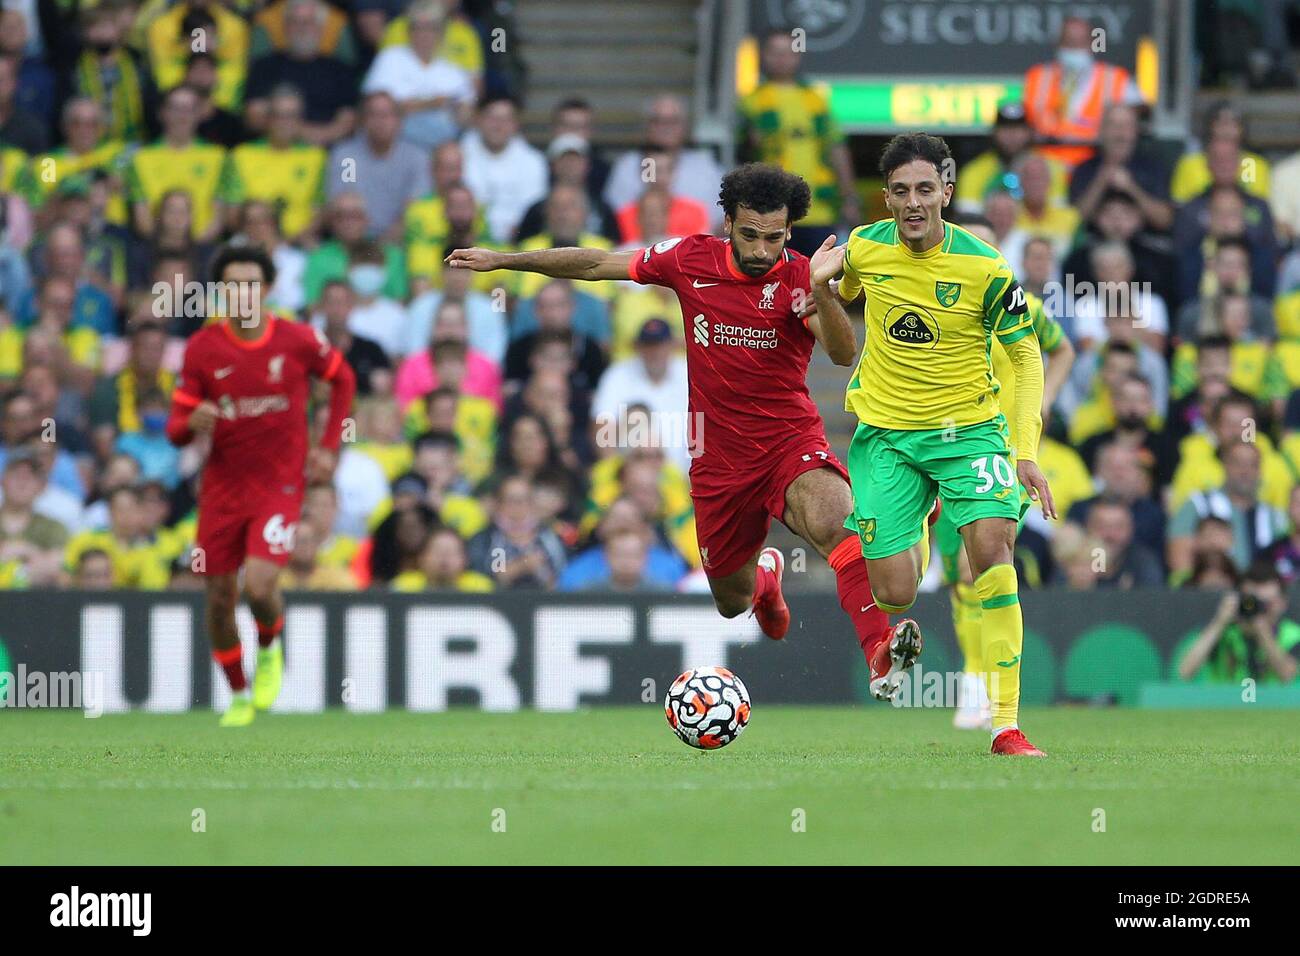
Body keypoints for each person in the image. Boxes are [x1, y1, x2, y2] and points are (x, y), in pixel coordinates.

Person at [448, 163, 907, 695]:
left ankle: (878, 649)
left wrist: (824, 295)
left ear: (788, 230)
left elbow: (843, 352)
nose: (761, 251)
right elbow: (598, 263)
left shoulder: (803, 274)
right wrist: (505, 260)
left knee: (839, 523)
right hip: (718, 460)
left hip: (789, 442)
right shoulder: (690, 259)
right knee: (731, 601)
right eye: (750, 235)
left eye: (775, 238)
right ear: (728, 223)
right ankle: (764, 583)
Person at [837, 133, 1054, 756]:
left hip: (972, 433)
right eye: (901, 191)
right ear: (886, 198)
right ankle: (921, 526)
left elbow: (1027, 353)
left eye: (925, 189)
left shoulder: (985, 266)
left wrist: (1025, 449)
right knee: (894, 593)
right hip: (889, 437)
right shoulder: (864, 248)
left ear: (946, 194)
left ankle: (1006, 725)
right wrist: (820, 285)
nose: (913, 202)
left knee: (993, 548)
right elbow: (840, 290)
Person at [165, 245, 356, 727]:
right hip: (223, 490)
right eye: (233, 284)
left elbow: (344, 380)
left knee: (261, 582)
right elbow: (174, 430)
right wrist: (194, 421)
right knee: (218, 596)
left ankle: (269, 646)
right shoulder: (203, 349)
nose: (244, 293)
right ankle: (238, 694)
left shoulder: (297, 340)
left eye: (252, 283)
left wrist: (329, 445)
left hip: (280, 485)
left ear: (267, 289)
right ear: (221, 292)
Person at [931, 215, 1074, 732]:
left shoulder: (1026, 309)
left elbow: (1063, 350)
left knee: (984, 563)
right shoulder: (941, 311)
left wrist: (1045, 402)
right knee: (959, 577)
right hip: (947, 449)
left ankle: (983, 689)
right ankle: (978, 680)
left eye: (986, 246)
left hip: (1002, 450)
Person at [1021, 15, 1144, 168]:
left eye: (1081, 43)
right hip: (1045, 171)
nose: (1075, 50)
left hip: (1095, 167)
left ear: (1092, 44)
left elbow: (1139, 116)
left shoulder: (1115, 79)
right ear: (1058, 44)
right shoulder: (1037, 77)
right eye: (1069, 43)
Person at [1178, 560, 1299, 684]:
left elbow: (1289, 676)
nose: (1259, 610)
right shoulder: (1223, 632)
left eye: (1266, 604)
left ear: (1283, 603)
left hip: (1275, 702)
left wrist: (1262, 631)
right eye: (1252, 602)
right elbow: (1185, 672)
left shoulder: (1293, 635)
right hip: (1227, 702)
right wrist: (1220, 621)